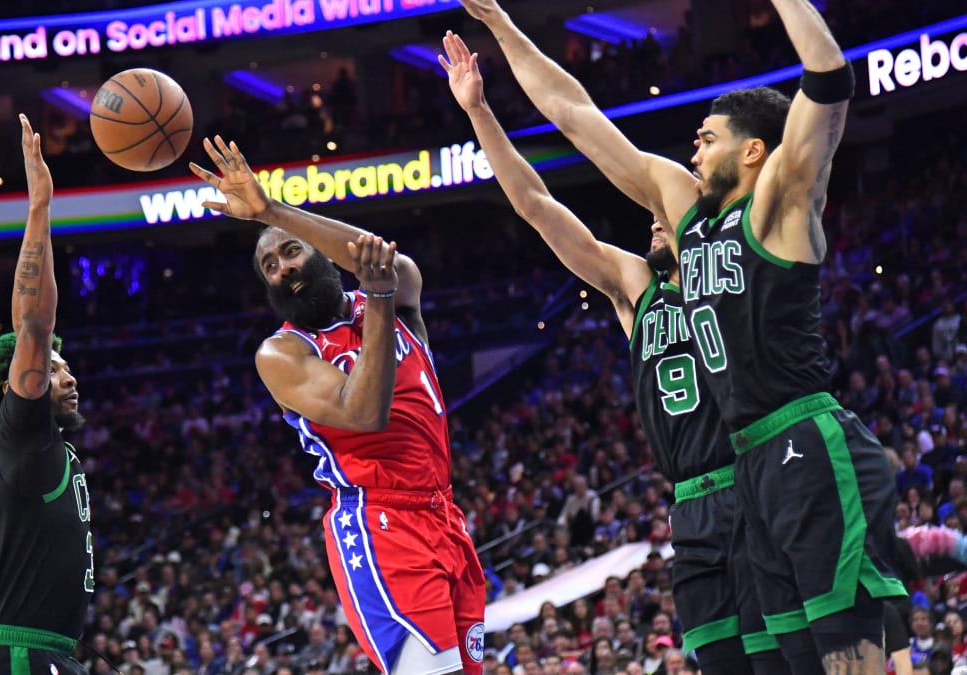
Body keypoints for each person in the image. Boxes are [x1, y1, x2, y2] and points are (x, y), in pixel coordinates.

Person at [454, 0, 906, 671]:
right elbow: (574, 115)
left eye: (706, 139)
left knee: (849, 653)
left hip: (801, 438)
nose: (692, 152)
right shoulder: (682, 225)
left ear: (752, 151)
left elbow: (828, 77)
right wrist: (500, 25)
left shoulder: (778, 203)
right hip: (745, 467)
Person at [438, 31, 785, 675]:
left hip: (752, 480)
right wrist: (479, 112)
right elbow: (537, 207)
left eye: (661, 216)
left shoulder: (728, 268)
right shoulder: (635, 287)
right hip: (690, 504)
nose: (652, 222)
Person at [189, 135, 486, 675]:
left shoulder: (396, 297)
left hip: (445, 514)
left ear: (322, 253)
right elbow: (364, 414)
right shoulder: (282, 352)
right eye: (269, 265)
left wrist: (270, 211)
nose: (282, 268)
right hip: (379, 523)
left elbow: (389, 266)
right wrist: (378, 298)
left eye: (291, 251)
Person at [0, 114, 94, 675]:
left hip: (7, 647)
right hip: (17, 652)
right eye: (52, 370)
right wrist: (39, 207)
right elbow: (33, 323)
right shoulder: (26, 435)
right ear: (20, 388)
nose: (68, 378)